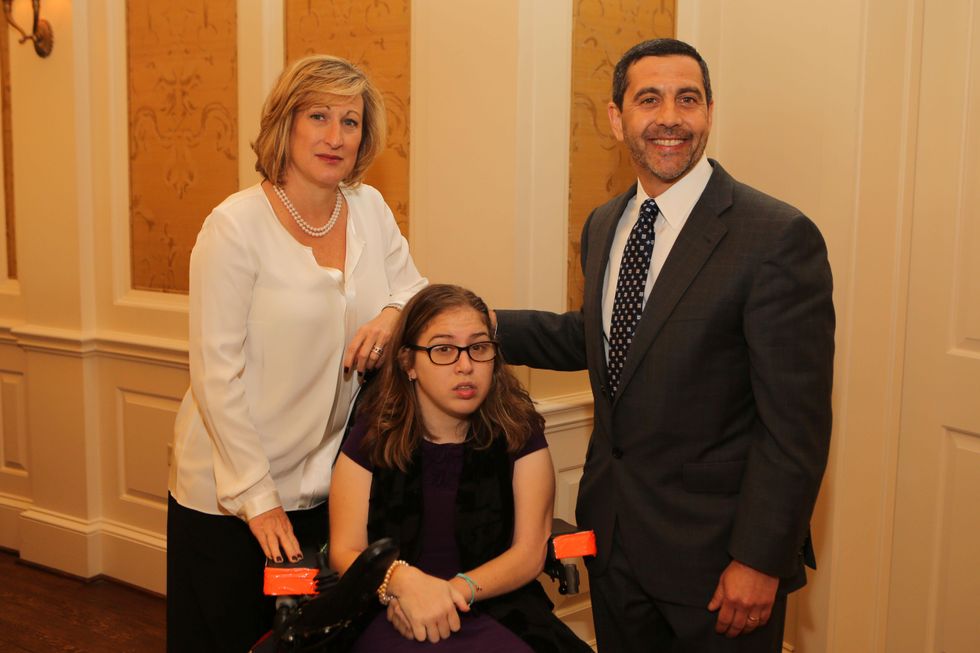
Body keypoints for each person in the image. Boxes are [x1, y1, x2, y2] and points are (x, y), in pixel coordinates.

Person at [495, 38, 835, 652]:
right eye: (649, 99)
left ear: (709, 112)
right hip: (617, 545)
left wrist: (759, 559)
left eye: (688, 99)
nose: (670, 117)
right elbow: (604, 340)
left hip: (719, 563)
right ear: (616, 117)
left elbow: (796, 429)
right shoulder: (606, 223)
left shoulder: (777, 237)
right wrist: (475, 325)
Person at [166, 54, 427, 653]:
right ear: (286, 123)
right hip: (232, 496)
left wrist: (391, 316)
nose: (336, 137)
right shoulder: (234, 227)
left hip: (327, 485)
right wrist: (258, 501)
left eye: (351, 121)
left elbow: (413, 289)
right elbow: (216, 374)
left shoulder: (368, 209)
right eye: (319, 116)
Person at [329, 284, 592, 652]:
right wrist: (403, 584)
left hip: (496, 604)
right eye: (444, 350)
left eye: (479, 348)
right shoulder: (373, 434)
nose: (465, 365)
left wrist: (448, 594)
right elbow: (346, 549)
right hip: (388, 606)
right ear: (408, 363)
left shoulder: (519, 431)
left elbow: (530, 553)